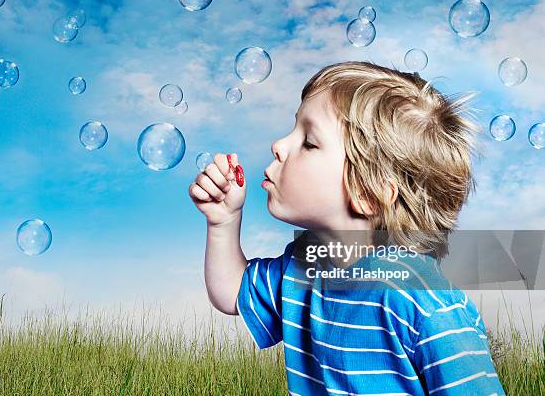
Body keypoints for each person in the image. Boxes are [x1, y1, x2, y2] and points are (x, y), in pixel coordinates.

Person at [188, 61, 506, 395]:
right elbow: (231, 293)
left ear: (367, 192)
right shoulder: (305, 265)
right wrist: (223, 221)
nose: (278, 145)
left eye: (309, 142)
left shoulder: (420, 301)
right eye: (293, 129)